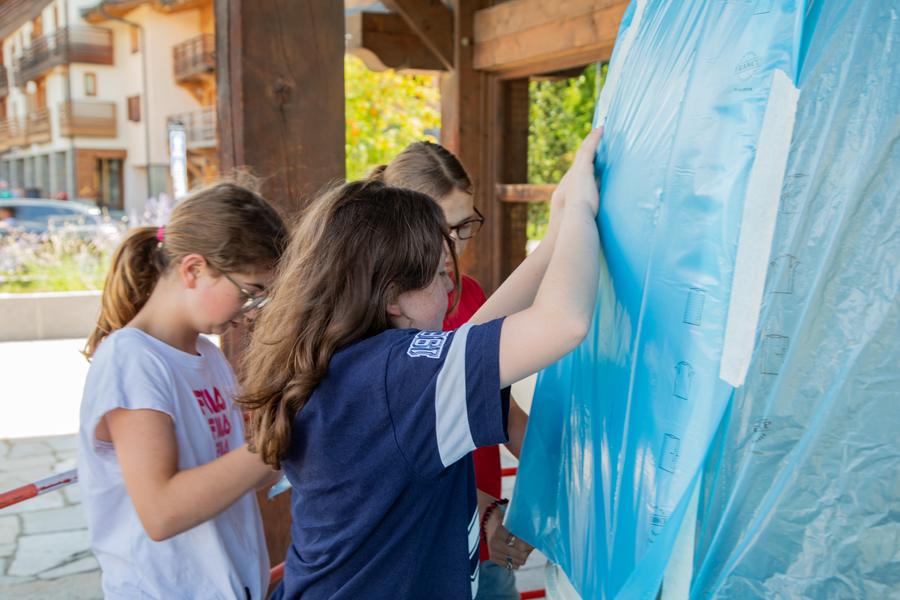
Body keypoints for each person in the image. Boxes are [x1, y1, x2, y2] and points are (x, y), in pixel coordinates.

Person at [239, 128, 603, 599]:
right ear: (392, 296)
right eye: (436, 275)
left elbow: (472, 337)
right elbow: (565, 323)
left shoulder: (355, 364)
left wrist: (554, 236)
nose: (452, 290)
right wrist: (580, 210)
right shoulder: (397, 379)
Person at [78, 181, 288, 599]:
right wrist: (276, 445)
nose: (251, 313)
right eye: (250, 293)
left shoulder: (206, 356)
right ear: (193, 269)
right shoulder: (132, 360)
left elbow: (220, 475)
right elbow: (162, 512)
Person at [370, 141, 532, 598]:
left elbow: (500, 409)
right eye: (440, 230)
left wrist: (558, 483)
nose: (453, 248)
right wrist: (484, 515)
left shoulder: (474, 294)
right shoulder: (379, 318)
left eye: (464, 226)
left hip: (488, 538)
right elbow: (402, 460)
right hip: (428, 548)